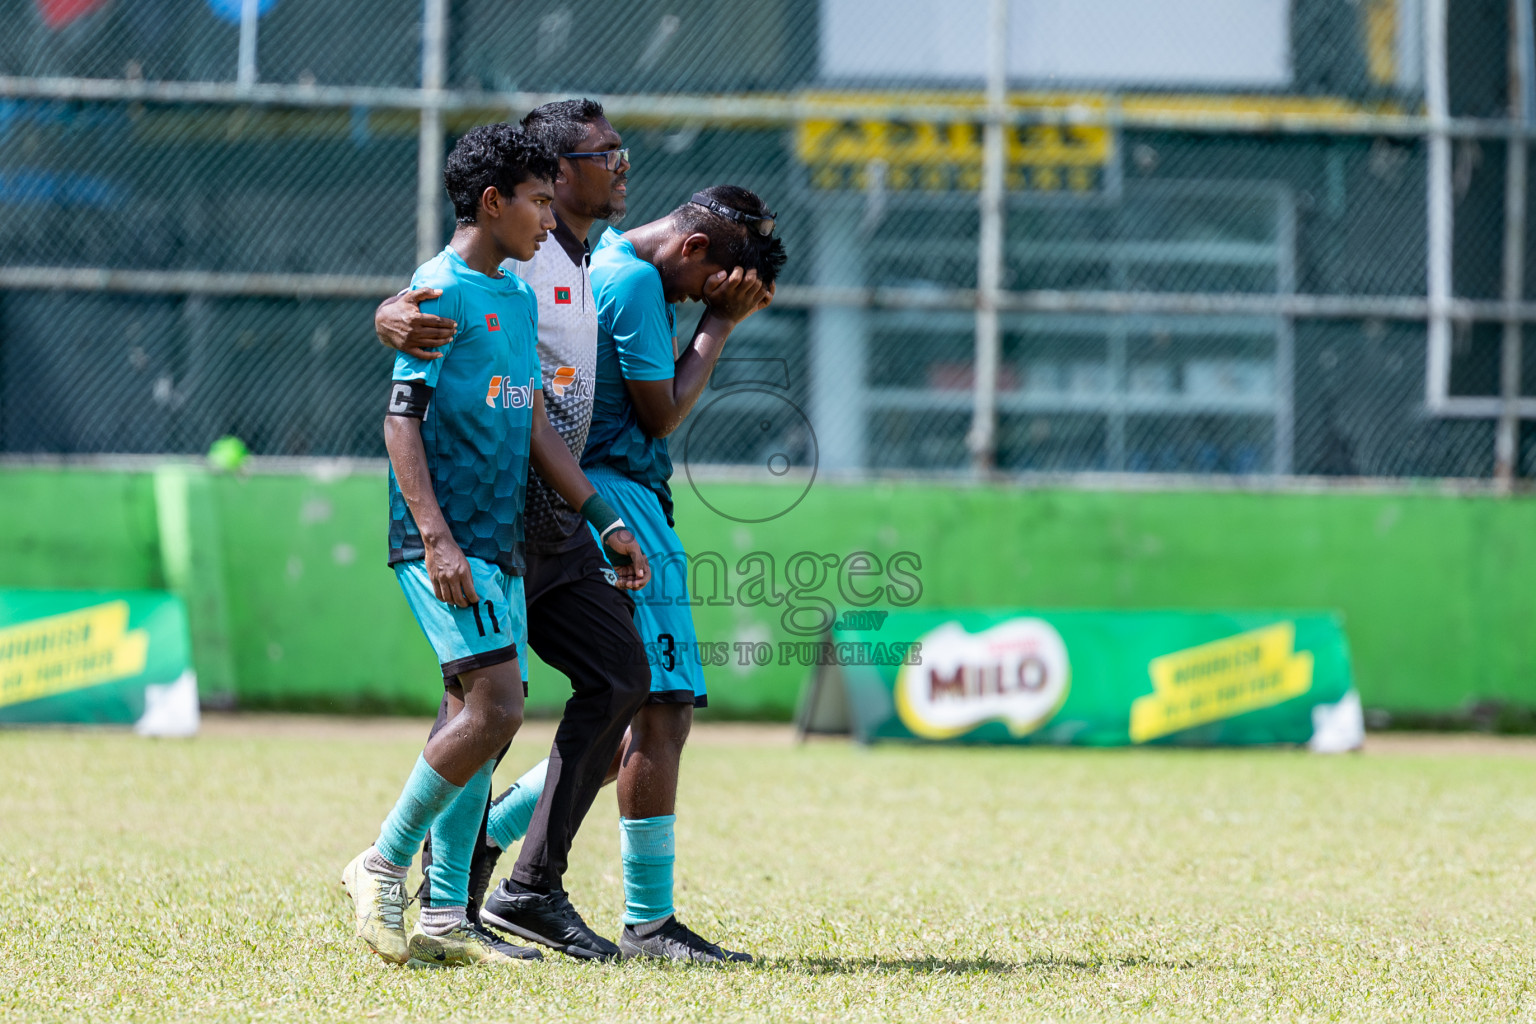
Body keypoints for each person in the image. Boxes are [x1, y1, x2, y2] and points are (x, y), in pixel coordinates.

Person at [342, 121, 647, 968]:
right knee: (497, 706)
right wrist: (436, 539)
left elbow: (536, 422)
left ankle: (445, 919)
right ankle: (381, 864)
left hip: (502, 538)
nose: (548, 222)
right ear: (492, 201)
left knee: (483, 718)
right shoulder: (435, 291)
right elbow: (402, 424)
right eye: (539, 203)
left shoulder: (510, 297)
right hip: (446, 539)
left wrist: (601, 517)